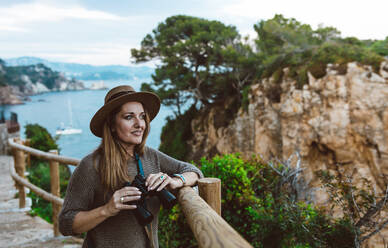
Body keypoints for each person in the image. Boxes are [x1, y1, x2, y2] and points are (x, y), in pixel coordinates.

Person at [59, 85, 203, 248]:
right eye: (129, 117)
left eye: (142, 117)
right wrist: (107, 209)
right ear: (112, 125)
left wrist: (175, 181)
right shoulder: (91, 166)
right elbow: (66, 223)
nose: (139, 124)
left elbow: (195, 172)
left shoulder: (150, 156)